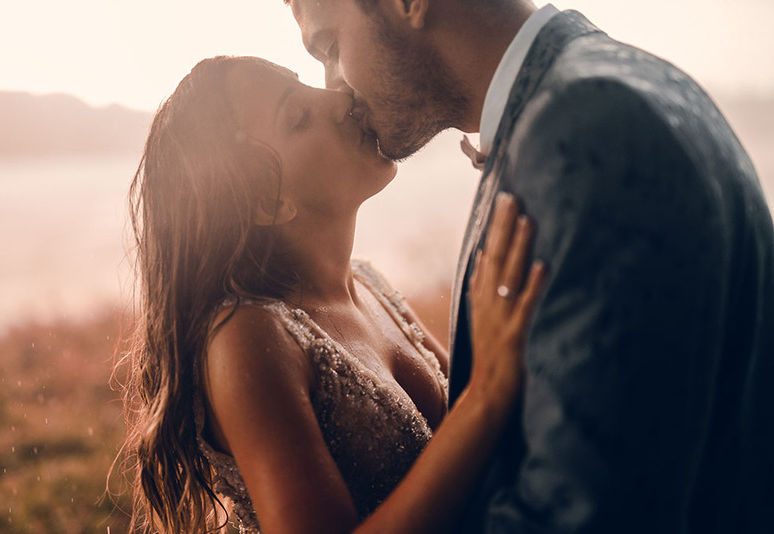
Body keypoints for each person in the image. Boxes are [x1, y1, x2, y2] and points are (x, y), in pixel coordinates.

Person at [287, 0, 774, 532]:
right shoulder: (603, 90)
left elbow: (581, 516)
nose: (334, 86)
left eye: (331, 47)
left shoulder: (587, 133)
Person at [118, 55, 546, 533]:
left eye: (307, 87)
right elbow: (482, 401)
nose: (340, 97)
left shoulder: (369, 284)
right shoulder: (248, 338)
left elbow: (485, 433)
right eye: (299, 118)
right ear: (267, 201)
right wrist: (486, 394)